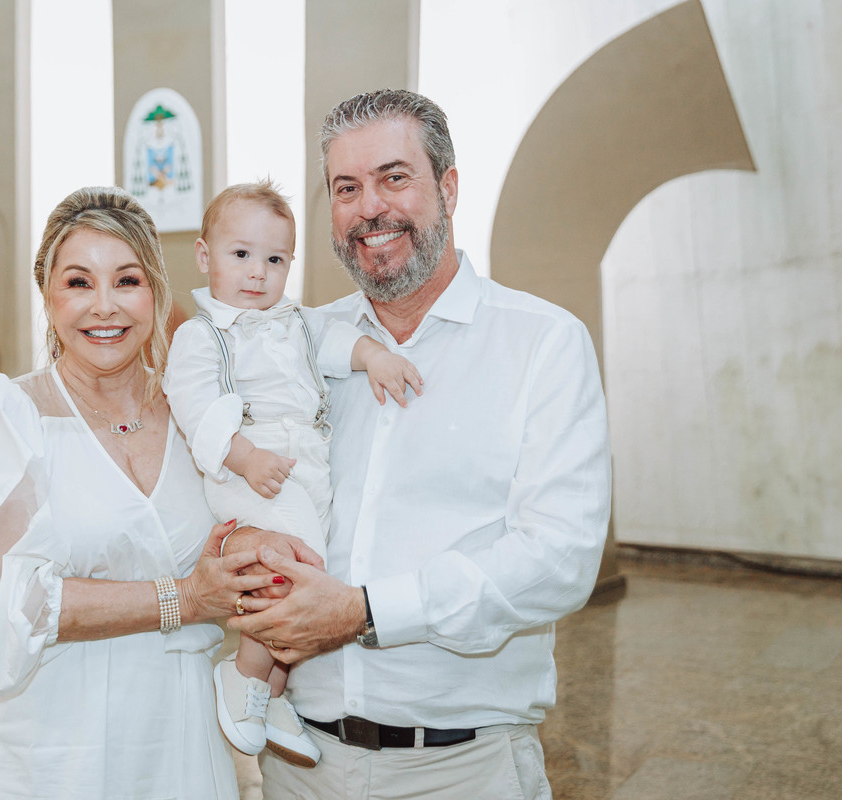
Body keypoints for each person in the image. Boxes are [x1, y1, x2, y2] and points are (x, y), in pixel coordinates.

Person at [226, 89, 612, 799]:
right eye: (347, 188)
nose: (369, 208)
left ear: (450, 186)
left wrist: (366, 610)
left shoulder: (542, 344)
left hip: (461, 770)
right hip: (300, 764)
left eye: (394, 177)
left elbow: (559, 558)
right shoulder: (293, 343)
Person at [0, 186, 280, 799]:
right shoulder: (7, 415)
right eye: (78, 282)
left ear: (156, 292)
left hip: (176, 744)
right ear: (46, 294)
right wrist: (185, 599)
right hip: (46, 749)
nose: (104, 307)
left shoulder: (200, 418)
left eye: (126, 281)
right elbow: (6, 608)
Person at [163, 180, 422, 769]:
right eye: (241, 255)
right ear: (206, 257)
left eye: (274, 260)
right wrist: (244, 457)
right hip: (248, 465)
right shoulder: (201, 335)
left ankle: (277, 695)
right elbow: (194, 405)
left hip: (304, 466)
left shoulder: (298, 322)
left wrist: (374, 356)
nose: (258, 273)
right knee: (295, 568)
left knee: (312, 563)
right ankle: (245, 676)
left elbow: (338, 340)